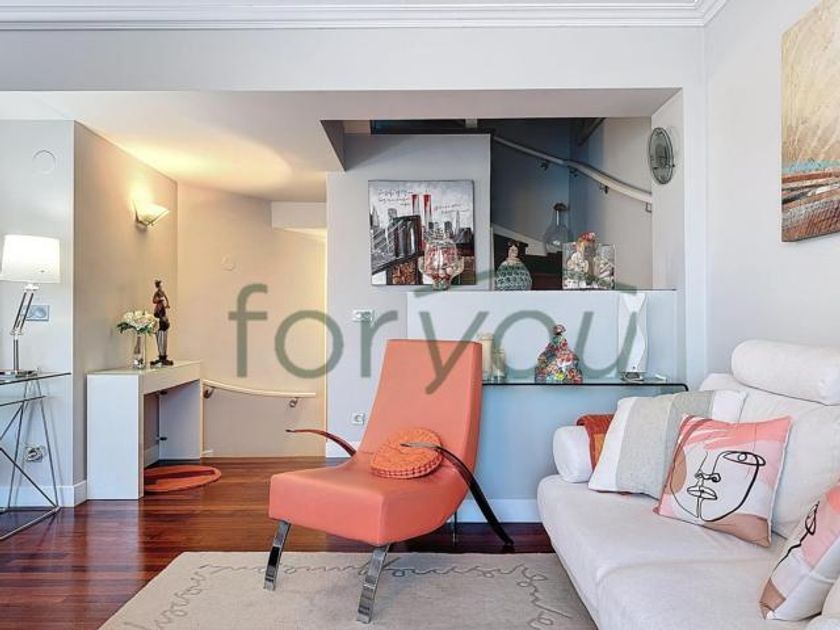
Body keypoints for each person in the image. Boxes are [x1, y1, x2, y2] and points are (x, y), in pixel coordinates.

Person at [151, 279, 173, 367]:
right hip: (159, 309)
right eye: (159, 285)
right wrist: (159, 300)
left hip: (162, 309)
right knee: (159, 330)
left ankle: (163, 355)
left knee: (163, 331)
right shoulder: (157, 293)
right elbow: (153, 300)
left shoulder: (162, 292)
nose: (160, 287)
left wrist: (167, 304)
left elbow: (166, 298)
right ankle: (161, 355)